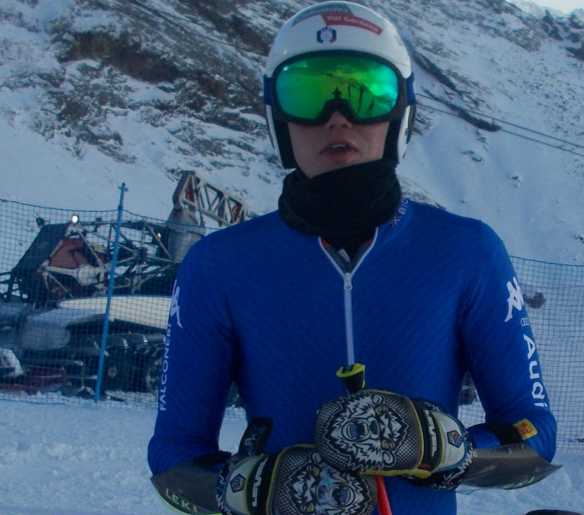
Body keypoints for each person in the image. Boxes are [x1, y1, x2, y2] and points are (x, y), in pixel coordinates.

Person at [147, 2, 557, 514]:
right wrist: (252, 489)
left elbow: (536, 436)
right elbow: (173, 458)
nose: (337, 115)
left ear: (399, 112)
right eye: (306, 91)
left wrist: (444, 448)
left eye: (367, 91)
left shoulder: (467, 252)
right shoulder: (217, 266)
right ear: (278, 118)